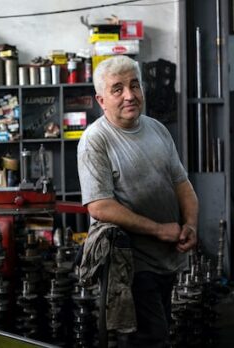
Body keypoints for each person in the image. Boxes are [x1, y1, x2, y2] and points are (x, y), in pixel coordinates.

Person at [77, 55, 198, 347]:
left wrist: (190, 224)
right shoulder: (96, 140)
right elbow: (100, 205)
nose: (130, 95)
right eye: (117, 89)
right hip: (131, 264)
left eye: (135, 85)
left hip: (167, 258)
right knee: (152, 339)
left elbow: (182, 184)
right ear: (101, 100)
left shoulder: (157, 129)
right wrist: (158, 229)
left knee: (159, 330)